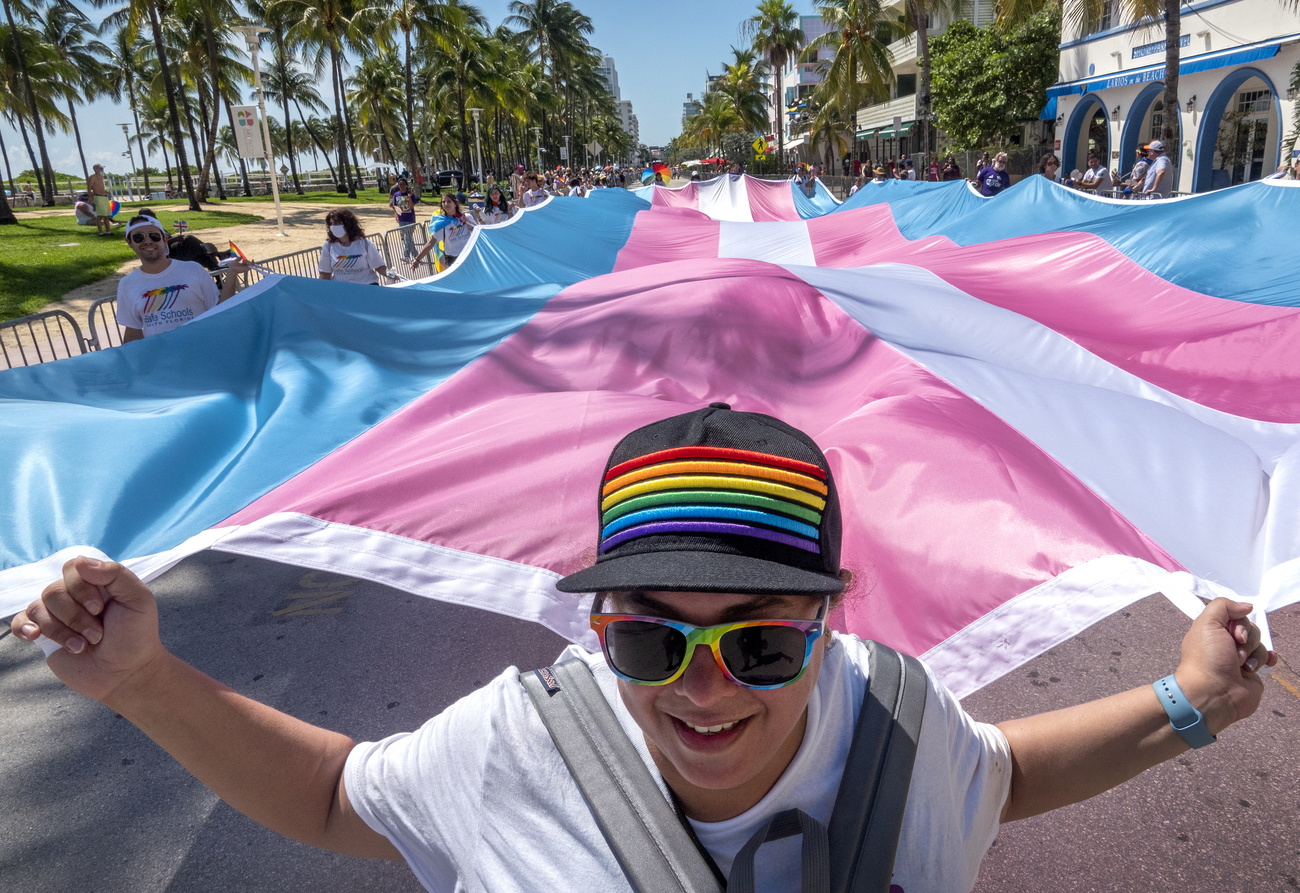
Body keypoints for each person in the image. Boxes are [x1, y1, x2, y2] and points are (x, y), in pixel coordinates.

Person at [11, 403, 1277, 893]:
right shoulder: (523, 738)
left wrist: (1192, 703)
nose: (704, 682)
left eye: (763, 642)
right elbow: (342, 793)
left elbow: (997, 764)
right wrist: (141, 680)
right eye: (649, 635)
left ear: (828, 625)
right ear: (598, 625)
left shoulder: (893, 712)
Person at [114, 214, 250, 342]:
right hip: (163, 362)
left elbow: (219, 311)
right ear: (129, 242)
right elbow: (133, 332)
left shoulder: (193, 270)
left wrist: (231, 274)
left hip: (203, 354)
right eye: (139, 237)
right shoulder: (127, 285)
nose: (148, 241)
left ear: (165, 239)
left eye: (154, 236)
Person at [317, 208, 387, 286]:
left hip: (367, 286)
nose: (334, 227)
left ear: (348, 224)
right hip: (342, 289)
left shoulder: (365, 244)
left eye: (337, 223)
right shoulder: (328, 245)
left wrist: (390, 274)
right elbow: (325, 273)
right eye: (331, 224)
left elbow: (379, 266)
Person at [413, 193, 476, 269]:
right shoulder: (441, 224)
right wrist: (417, 259)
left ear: (455, 203)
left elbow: (479, 234)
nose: (446, 204)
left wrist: (471, 226)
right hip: (453, 259)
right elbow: (431, 243)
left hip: (469, 255)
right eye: (443, 202)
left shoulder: (466, 217)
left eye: (449, 201)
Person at [390, 177, 419, 261]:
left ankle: (406, 256)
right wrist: (395, 212)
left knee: (407, 237)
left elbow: (412, 206)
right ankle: (416, 255)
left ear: (406, 185)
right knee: (408, 237)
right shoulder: (396, 195)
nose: (402, 186)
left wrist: (409, 197)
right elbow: (395, 207)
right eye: (400, 185)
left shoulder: (411, 194)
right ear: (398, 186)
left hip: (410, 219)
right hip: (401, 218)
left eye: (403, 184)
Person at [86, 163, 113, 236]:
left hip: (104, 197)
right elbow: (89, 188)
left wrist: (106, 192)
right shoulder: (93, 177)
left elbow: (101, 187)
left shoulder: (101, 177)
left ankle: (108, 231)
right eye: (100, 168)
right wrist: (90, 197)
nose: (102, 170)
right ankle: (101, 232)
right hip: (98, 197)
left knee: (106, 215)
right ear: (95, 169)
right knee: (100, 215)